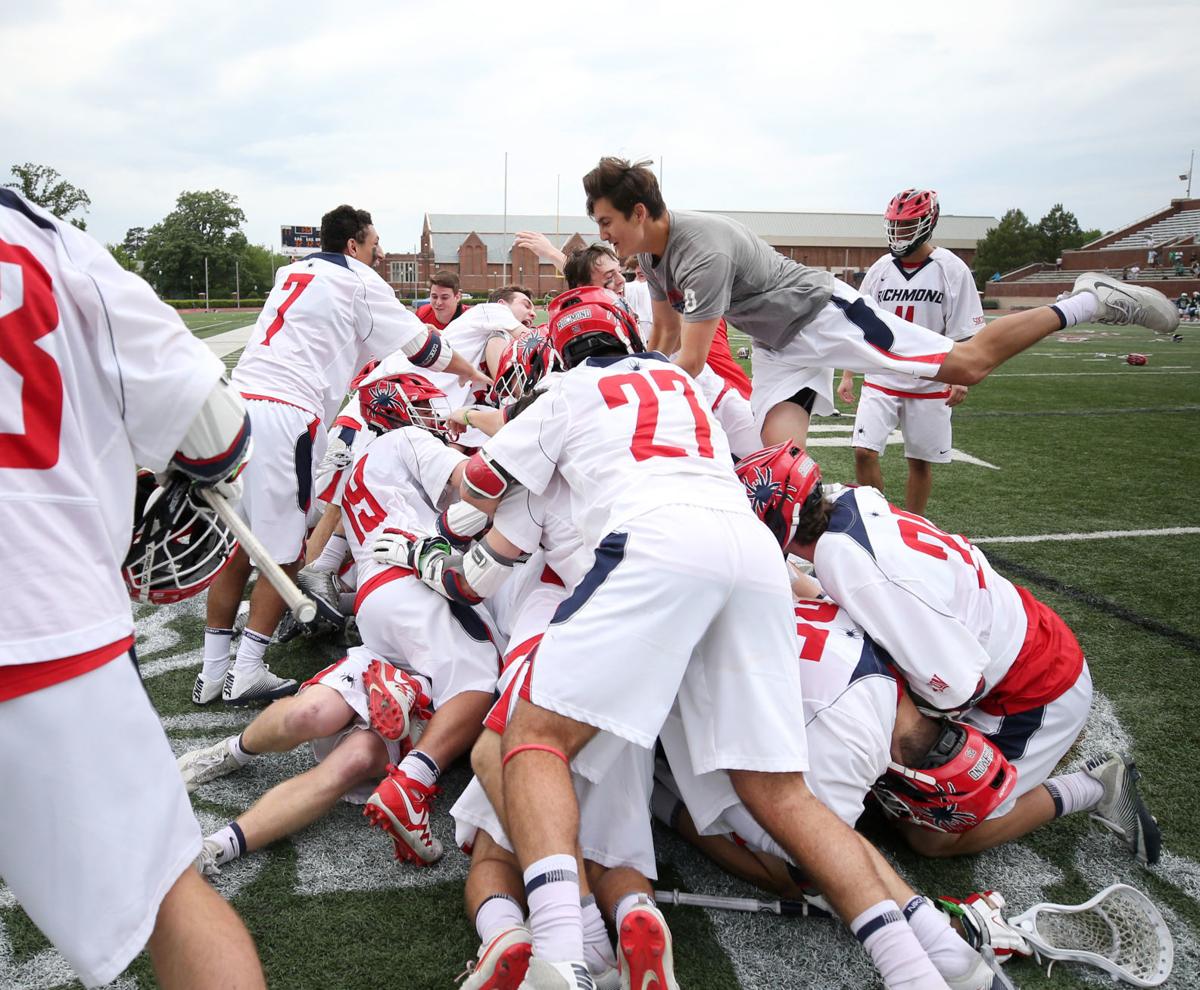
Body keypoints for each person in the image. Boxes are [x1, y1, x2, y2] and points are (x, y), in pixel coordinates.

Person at [456, 288, 959, 990]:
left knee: (531, 738)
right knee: (781, 794)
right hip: (752, 553)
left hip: (656, 542)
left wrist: (458, 461)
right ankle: (927, 968)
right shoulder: (678, 380)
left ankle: (562, 955)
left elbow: (478, 485)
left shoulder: (567, 391)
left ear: (562, 349)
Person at [0, 188, 265, 988]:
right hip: (38, 611)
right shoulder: (51, 245)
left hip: (41, 612)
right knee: (169, 900)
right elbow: (218, 436)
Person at [739, 440, 1161, 865]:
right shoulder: (846, 500)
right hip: (1003, 638)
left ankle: (1094, 787)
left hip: (1032, 686)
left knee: (930, 835)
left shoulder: (854, 566)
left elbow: (956, 686)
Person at [581, 157, 1179, 448]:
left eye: (607, 221)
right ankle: (803, 558)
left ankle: (1090, 301)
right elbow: (658, 340)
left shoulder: (700, 247)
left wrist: (616, 395)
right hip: (776, 342)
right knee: (777, 465)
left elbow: (687, 359)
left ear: (639, 212)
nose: (604, 234)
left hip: (820, 317)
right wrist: (626, 372)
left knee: (966, 363)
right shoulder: (652, 257)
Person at [177, 372, 499, 871]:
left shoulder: (359, 475)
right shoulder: (408, 440)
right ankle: (415, 777)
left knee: (322, 727)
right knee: (481, 680)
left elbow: (318, 566)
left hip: (378, 605)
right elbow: (476, 483)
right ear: (402, 410)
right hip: (419, 586)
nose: (439, 415)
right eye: (429, 405)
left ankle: (220, 825)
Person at [200, 205, 488, 706]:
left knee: (239, 544)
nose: (380, 252)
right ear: (354, 245)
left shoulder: (292, 271)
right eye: (375, 242)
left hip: (237, 404)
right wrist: (474, 374)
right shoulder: (357, 278)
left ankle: (211, 671)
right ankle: (246, 669)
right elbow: (424, 349)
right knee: (285, 551)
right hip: (288, 413)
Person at [837, 190, 985, 515]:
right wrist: (848, 373)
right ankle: (877, 519)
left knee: (919, 461)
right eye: (896, 225)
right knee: (863, 450)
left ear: (927, 223)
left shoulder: (952, 270)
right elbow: (858, 319)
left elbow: (964, 331)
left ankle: (913, 523)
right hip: (882, 373)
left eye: (908, 226)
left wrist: (962, 379)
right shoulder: (880, 269)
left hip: (930, 378)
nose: (900, 233)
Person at [515, 229, 752, 399]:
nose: (621, 281)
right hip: (679, 392)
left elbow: (595, 278)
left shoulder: (646, 294)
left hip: (716, 389)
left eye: (620, 272)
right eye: (611, 277)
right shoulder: (598, 305)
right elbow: (589, 280)